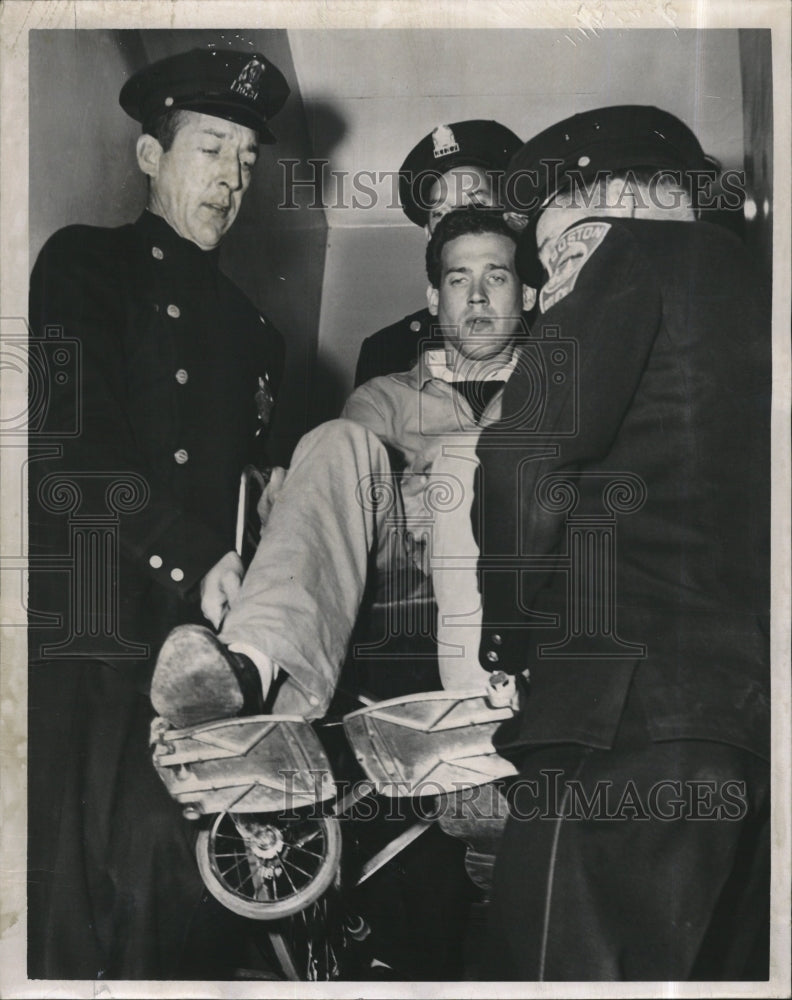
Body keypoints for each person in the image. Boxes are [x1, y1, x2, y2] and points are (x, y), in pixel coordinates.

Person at [471, 106, 771, 980]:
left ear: (635, 199)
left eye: (567, 248)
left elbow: (518, 458)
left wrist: (510, 635)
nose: (556, 286)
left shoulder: (638, 258)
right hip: (741, 738)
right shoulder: (754, 298)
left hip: (616, 725)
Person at [27, 47, 289, 978]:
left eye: (248, 162)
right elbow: (68, 447)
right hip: (98, 626)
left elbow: (262, 496)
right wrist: (194, 555)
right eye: (213, 149)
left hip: (199, 651)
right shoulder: (82, 265)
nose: (233, 179)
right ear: (150, 157)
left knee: (183, 892)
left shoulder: (260, 334)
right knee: (81, 898)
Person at [152, 207, 537, 723]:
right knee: (337, 439)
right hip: (396, 565)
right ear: (433, 299)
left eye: (497, 275)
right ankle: (249, 673)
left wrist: (450, 476)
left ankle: (479, 708)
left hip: (516, 562)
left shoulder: (558, 393)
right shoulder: (382, 397)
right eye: (457, 278)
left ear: (528, 294)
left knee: (467, 458)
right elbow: (348, 496)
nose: (476, 295)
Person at [354, 120, 523, 386]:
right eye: (441, 214)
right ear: (430, 235)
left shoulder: (562, 331)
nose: (459, 225)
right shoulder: (388, 351)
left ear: (510, 217)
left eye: (477, 205)